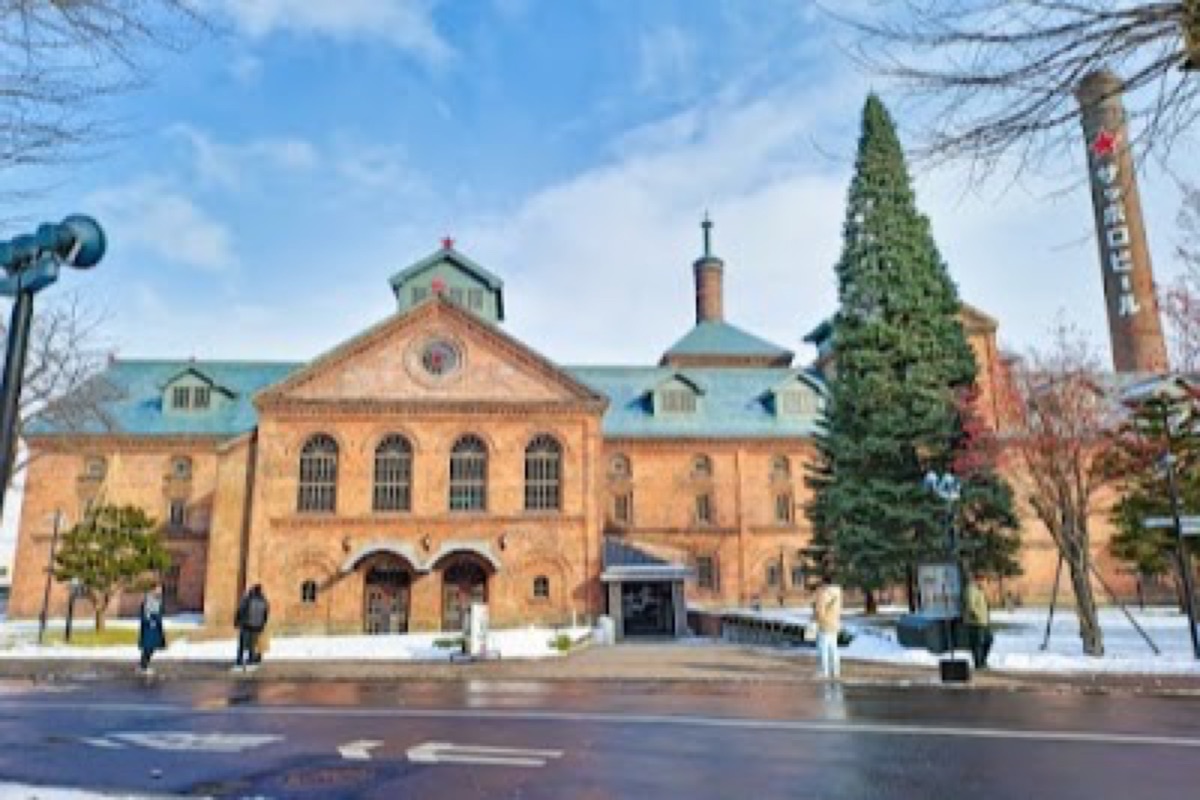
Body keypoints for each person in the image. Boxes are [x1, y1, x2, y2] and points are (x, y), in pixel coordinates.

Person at [813, 576, 843, 680]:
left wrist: (816, 619)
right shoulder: (838, 592)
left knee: (823, 649)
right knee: (834, 649)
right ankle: (836, 672)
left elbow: (819, 610)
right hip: (835, 622)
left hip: (824, 624)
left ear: (824, 583)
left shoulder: (824, 593)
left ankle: (824, 672)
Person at [234, 584, 270, 672]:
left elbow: (240, 610)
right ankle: (251, 662)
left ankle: (239, 662)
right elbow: (266, 614)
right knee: (252, 645)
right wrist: (262, 625)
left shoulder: (247, 599)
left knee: (242, 644)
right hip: (257, 626)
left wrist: (237, 622)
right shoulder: (264, 601)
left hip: (246, 625)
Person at [965, 572, 994, 669]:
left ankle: (982, 661)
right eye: (984, 581)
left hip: (983, 622)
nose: (985, 583)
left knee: (988, 640)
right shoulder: (971, 589)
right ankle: (979, 664)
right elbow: (971, 605)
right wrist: (978, 616)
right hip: (975, 622)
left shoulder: (979, 590)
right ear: (978, 580)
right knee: (978, 643)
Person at [137, 586, 166, 676]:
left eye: (160, 589)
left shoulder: (158, 600)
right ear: (153, 590)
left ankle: (144, 665)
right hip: (150, 627)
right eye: (158, 589)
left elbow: (159, 613)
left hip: (155, 626)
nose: (159, 591)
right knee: (148, 647)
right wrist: (150, 621)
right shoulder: (149, 600)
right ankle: (143, 667)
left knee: (152, 647)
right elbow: (145, 614)